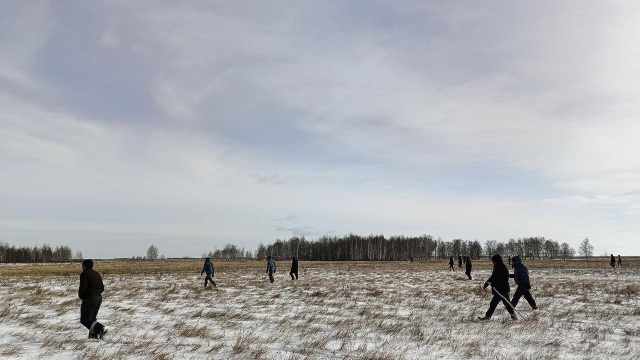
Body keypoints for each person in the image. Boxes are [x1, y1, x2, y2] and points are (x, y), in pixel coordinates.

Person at [479, 254, 516, 321]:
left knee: (505, 304)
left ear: (496, 260)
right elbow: (493, 277)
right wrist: (486, 284)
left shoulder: (502, 267)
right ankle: (487, 317)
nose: (492, 262)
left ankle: (513, 316)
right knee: (494, 304)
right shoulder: (496, 267)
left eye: (493, 261)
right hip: (499, 290)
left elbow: (505, 277)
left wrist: (495, 283)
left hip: (502, 290)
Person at [78, 259, 106, 339]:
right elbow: (102, 288)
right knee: (92, 319)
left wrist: (82, 296)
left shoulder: (84, 274)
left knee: (85, 320)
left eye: (82, 265)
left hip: (89, 299)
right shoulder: (96, 273)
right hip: (98, 298)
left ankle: (101, 329)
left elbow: (83, 288)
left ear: (85, 266)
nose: (82, 267)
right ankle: (94, 337)